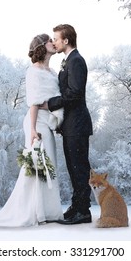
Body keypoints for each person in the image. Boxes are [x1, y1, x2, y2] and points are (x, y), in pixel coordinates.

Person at [0, 34, 64, 227]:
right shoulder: (33, 71)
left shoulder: (52, 72)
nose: (53, 42)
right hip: (36, 122)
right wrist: (32, 130)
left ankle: (48, 211)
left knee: (49, 165)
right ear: (41, 46)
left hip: (47, 122)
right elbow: (33, 102)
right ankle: (35, 211)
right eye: (49, 40)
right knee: (37, 166)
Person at [42, 24, 93, 225]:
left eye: (56, 38)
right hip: (71, 125)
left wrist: (51, 104)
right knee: (73, 168)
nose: (53, 42)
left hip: (78, 124)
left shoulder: (76, 61)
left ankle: (84, 211)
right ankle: (76, 207)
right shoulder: (69, 61)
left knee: (79, 168)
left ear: (66, 40)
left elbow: (75, 93)